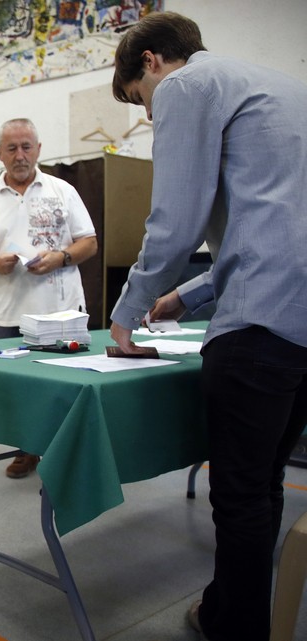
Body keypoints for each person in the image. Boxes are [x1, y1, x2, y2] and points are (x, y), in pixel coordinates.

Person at [108, 12, 307, 641]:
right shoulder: (282, 87)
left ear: (150, 63)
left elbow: (175, 220)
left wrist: (127, 307)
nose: (148, 113)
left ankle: (235, 628)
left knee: (241, 494)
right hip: (298, 321)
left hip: (260, 325)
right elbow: (273, 227)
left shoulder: (187, 87)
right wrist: (186, 297)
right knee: (265, 478)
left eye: (140, 102)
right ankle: (227, 608)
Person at [0, 118, 98, 478]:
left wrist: (61, 257)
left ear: (38, 149)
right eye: (11, 148)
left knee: (66, 386)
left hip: (62, 310)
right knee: (15, 390)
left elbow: (89, 242)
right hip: (11, 315)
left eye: (26, 147)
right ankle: (26, 450)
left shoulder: (62, 191)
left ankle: (67, 452)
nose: (20, 155)